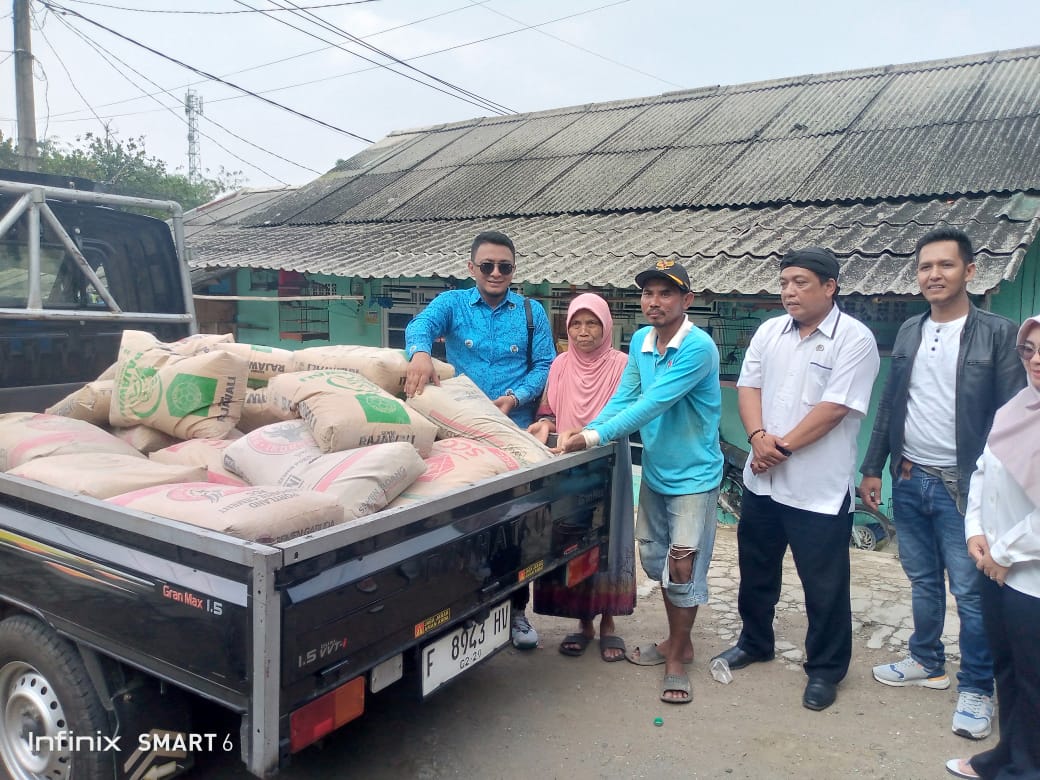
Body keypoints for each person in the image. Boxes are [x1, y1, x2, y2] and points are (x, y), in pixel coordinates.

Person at [859, 227, 1024, 739]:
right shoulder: (910, 329)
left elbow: (1014, 417)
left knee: (971, 592)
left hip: (964, 487)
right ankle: (926, 659)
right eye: (925, 266)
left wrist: (1001, 493)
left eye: (946, 265)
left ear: (969, 271)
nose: (934, 275)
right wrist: (873, 466)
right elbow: (892, 402)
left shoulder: (998, 333)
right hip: (910, 476)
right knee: (923, 579)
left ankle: (977, 687)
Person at [713, 246, 880, 712]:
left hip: (817, 490)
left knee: (824, 584)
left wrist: (778, 449)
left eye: (800, 282)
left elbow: (835, 408)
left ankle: (825, 669)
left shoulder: (854, 338)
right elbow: (749, 386)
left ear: (830, 287)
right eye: (785, 282)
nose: (789, 291)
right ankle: (755, 641)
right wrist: (757, 438)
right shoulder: (770, 331)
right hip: (763, 483)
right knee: (756, 570)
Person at [559, 259, 723, 705]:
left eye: (666, 293)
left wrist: (592, 436)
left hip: (694, 479)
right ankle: (677, 641)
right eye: (648, 293)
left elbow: (652, 404)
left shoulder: (698, 348)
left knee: (682, 567)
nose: (654, 302)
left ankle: (676, 658)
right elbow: (624, 398)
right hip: (655, 473)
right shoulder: (641, 343)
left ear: (687, 300)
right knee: (654, 559)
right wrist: (587, 430)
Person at [403, 230, 556, 650]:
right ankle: (461, 609)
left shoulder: (531, 312)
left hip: (513, 434)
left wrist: (514, 397)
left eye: (504, 266)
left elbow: (545, 364)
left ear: (514, 270)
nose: (495, 273)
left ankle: (516, 612)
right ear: (471, 267)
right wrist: (420, 352)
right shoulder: (452, 304)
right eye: (487, 265)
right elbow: (421, 325)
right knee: (460, 525)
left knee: (513, 528)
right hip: (461, 433)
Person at [945, 314, 1040, 779]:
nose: (1036, 360)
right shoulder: (1016, 408)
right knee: (1008, 669)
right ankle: (1008, 755)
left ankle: (1028, 769)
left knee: (1035, 679)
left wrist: (1005, 553)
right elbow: (984, 470)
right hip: (996, 568)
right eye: (1030, 350)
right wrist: (975, 531)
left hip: (1030, 577)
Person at [527, 293, 635, 662]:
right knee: (572, 538)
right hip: (567, 462)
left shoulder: (622, 364)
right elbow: (548, 410)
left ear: (606, 327)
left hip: (609, 460)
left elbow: (626, 412)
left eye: (592, 324)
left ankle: (608, 623)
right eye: (576, 323)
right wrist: (544, 424)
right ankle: (583, 623)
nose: (583, 331)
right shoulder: (560, 364)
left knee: (609, 536)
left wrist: (590, 434)